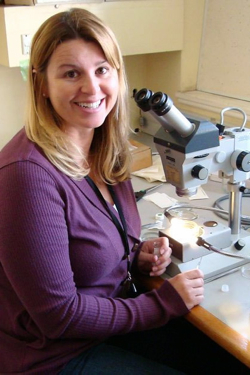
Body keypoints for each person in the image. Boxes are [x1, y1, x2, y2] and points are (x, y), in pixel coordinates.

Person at [0, 8, 247, 375]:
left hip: (108, 321)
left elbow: (88, 245)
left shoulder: (103, 149)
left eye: (102, 70)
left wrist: (134, 255)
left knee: (229, 362)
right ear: (41, 84)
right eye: (71, 74)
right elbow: (58, 316)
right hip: (55, 355)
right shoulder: (26, 177)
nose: (92, 88)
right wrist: (163, 304)